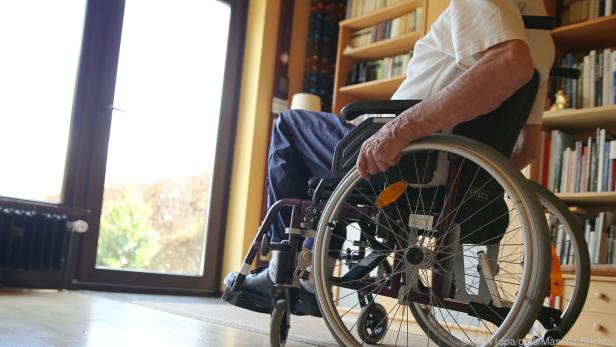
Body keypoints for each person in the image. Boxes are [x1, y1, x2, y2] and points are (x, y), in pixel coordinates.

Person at [223, 0, 555, 313]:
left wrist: (398, 131)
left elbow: (510, 62)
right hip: (438, 167)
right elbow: (526, 149)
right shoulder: (540, 34)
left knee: (290, 125)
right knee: (334, 170)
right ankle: (310, 271)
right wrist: (469, 184)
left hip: (406, 155)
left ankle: (284, 271)